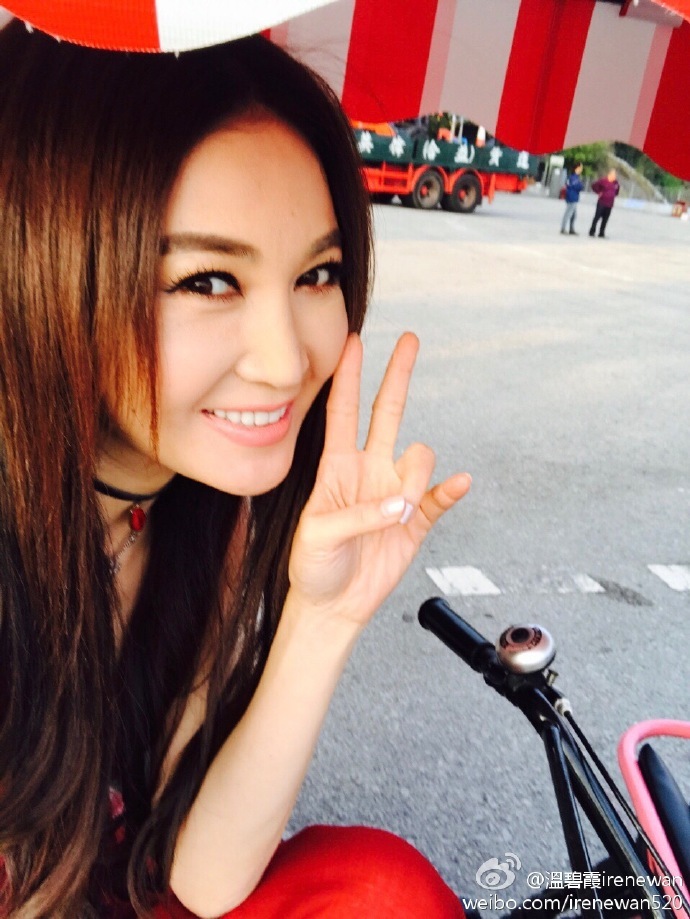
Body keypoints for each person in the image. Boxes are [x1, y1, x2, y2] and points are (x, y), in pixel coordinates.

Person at [0, 19, 472, 919]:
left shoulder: (199, 512)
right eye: (208, 281)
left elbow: (199, 877)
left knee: (384, 892)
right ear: (45, 268)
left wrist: (321, 621)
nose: (287, 360)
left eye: (318, 274)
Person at [589, 168, 620, 238]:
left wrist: (613, 195)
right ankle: (592, 231)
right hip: (602, 203)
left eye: (615, 175)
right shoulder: (603, 181)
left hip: (610, 204)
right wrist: (598, 192)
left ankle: (601, 232)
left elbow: (617, 191)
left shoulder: (616, 183)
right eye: (614, 175)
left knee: (605, 219)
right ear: (609, 174)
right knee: (597, 217)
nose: (615, 176)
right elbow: (594, 186)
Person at [560, 162, 584, 235]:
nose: (581, 169)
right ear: (577, 168)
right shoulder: (574, 178)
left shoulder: (573, 177)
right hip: (572, 197)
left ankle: (571, 229)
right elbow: (578, 186)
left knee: (573, 215)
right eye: (580, 168)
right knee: (568, 213)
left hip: (572, 196)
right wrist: (580, 185)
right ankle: (563, 228)